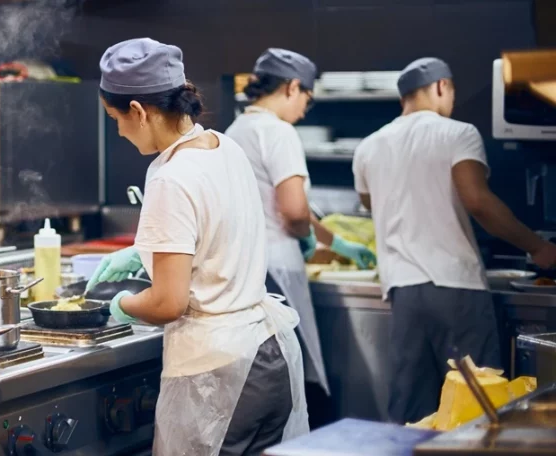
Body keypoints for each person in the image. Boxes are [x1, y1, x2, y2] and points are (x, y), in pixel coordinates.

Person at [87, 38, 309, 455]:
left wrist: (120, 305)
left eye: (115, 118)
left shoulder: (170, 176)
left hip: (220, 377)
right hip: (269, 354)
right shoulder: (226, 147)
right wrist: (146, 251)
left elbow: (168, 303)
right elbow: (217, 234)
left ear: (138, 110)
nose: (117, 130)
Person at [352, 57, 556, 424]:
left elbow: (371, 204)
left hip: (403, 289)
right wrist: (537, 247)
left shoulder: (368, 146)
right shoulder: (457, 133)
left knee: (412, 410)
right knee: (477, 401)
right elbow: (477, 201)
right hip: (456, 287)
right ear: (441, 87)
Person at [224, 48, 375, 419]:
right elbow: (292, 211)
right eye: (307, 96)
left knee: (262, 371)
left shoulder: (233, 130)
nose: (306, 107)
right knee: (296, 369)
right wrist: (307, 237)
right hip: (278, 265)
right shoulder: (279, 132)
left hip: (243, 266)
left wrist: (330, 240)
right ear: (292, 87)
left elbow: (281, 206)